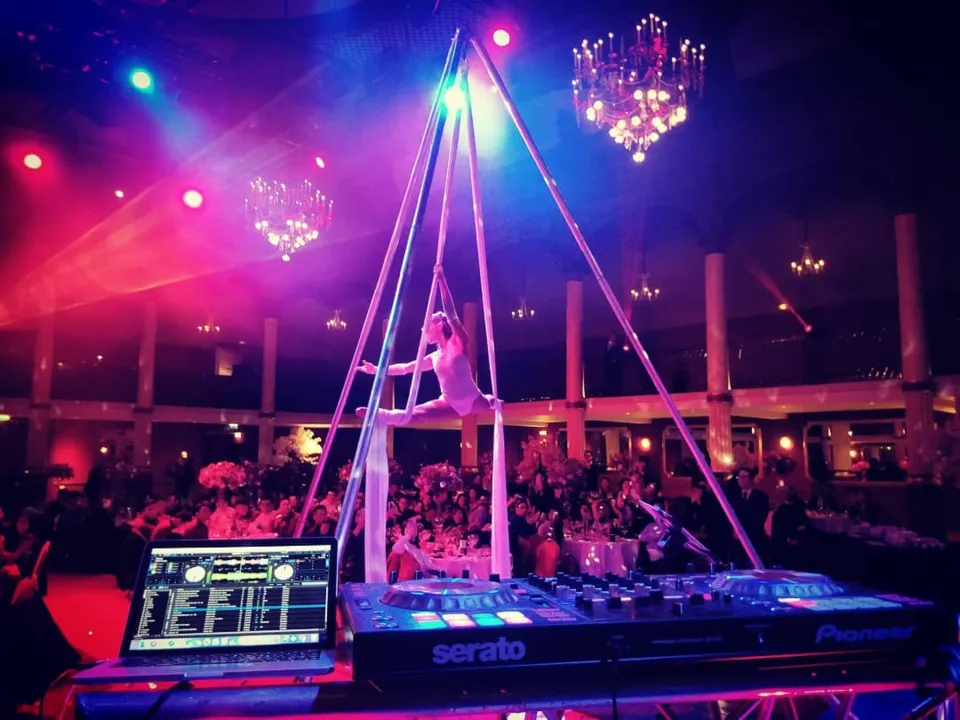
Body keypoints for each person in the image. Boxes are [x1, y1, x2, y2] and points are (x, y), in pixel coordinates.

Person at [358, 266, 501, 423]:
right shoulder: (434, 357)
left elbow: (451, 314)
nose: (423, 330)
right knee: (412, 415)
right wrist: (376, 370)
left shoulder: (457, 343)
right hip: (449, 404)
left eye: (427, 326)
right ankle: (380, 415)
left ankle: (493, 400)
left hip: (473, 401)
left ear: (439, 325)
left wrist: (442, 280)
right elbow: (405, 368)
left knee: (489, 402)